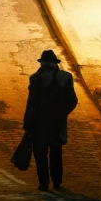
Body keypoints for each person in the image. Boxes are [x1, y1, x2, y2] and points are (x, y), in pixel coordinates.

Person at [23, 49, 78, 191]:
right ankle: (57, 182)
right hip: (55, 123)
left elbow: (31, 103)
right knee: (55, 153)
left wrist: (28, 122)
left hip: (38, 123)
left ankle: (44, 183)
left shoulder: (35, 79)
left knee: (41, 155)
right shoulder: (65, 78)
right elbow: (72, 100)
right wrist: (62, 114)